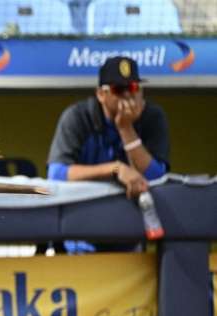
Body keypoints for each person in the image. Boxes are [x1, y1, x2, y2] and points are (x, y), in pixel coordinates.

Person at [47, 56, 170, 253]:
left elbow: (156, 177)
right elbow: (57, 174)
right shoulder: (79, 116)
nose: (128, 96)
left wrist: (126, 129)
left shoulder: (152, 117)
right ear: (101, 94)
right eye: (119, 90)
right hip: (81, 237)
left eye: (133, 88)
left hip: (131, 238)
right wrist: (115, 169)